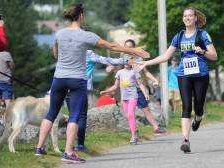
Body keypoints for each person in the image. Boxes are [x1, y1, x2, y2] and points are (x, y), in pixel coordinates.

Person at [35, 3, 149, 164]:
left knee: (51, 112)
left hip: (59, 77)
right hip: (77, 80)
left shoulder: (60, 33)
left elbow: (56, 53)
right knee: (74, 115)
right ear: (81, 16)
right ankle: (68, 152)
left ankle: (39, 148)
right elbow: (111, 46)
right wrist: (134, 51)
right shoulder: (85, 35)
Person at [136, 7, 217, 153]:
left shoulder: (203, 34)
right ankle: (186, 140)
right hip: (184, 74)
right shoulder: (178, 36)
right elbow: (166, 56)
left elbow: (214, 56)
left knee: (199, 107)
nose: (187, 18)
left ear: (195, 18)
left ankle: (198, 119)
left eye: (190, 16)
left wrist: (203, 51)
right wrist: (146, 63)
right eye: (185, 16)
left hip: (200, 75)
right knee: (186, 106)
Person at [67, 49, 134, 152]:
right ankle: (80, 145)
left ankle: (69, 147)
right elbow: (105, 60)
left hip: (66, 87)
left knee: (72, 117)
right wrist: (124, 61)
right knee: (81, 117)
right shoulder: (88, 53)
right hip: (81, 88)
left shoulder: (69, 52)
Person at [106, 39, 167, 135]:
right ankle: (135, 131)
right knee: (129, 112)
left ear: (134, 48)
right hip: (126, 90)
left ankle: (156, 128)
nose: (128, 49)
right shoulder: (122, 59)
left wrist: (155, 80)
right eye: (126, 47)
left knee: (146, 109)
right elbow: (114, 66)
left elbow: (146, 73)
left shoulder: (139, 60)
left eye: (130, 47)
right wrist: (110, 67)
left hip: (138, 89)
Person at [100, 64, 149, 145]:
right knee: (129, 116)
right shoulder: (119, 72)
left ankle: (133, 136)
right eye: (125, 60)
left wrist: (145, 94)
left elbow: (140, 84)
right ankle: (135, 131)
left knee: (130, 114)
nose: (127, 62)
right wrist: (106, 91)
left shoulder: (134, 71)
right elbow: (115, 86)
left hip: (133, 96)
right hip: (124, 98)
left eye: (129, 60)